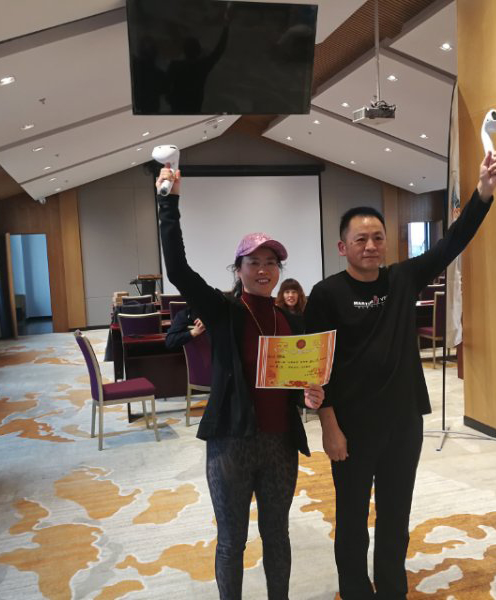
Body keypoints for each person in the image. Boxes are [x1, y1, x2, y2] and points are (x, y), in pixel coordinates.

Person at [304, 151, 496, 599]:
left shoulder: (403, 279)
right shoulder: (325, 294)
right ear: (342, 247)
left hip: (403, 424)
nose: (370, 246)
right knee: (352, 520)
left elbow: (454, 241)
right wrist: (329, 427)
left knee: (396, 517)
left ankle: (393, 589)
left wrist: (483, 192)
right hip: (351, 428)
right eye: (360, 239)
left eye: (377, 238)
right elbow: (317, 371)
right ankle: (356, 591)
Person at [156, 165, 324, 600]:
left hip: (280, 445)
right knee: (232, 541)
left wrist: (310, 394)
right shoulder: (224, 311)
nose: (264, 270)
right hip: (231, 442)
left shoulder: (290, 320)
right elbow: (178, 269)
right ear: (239, 268)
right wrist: (168, 202)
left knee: (277, 536)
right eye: (254, 262)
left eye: (271, 263)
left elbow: (298, 384)